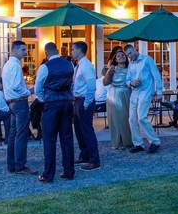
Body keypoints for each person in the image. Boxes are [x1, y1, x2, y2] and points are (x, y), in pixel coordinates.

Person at [34, 42, 75, 182]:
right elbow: (72, 83)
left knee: (49, 139)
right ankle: (69, 171)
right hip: (67, 103)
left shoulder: (45, 67)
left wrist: (42, 99)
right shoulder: (69, 64)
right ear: (58, 50)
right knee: (67, 138)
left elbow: (38, 87)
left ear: (46, 53)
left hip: (51, 103)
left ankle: (48, 174)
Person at [2, 40, 37, 175]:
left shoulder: (7, 65)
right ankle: (20, 166)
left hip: (11, 102)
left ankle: (12, 164)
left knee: (13, 135)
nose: (25, 52)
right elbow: (17, 86)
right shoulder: (15, 65)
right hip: (19, 102)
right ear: (15, 50)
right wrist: (29, 91)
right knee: (21, 135)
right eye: (23, 50)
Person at [125, 43, 163, 153]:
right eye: (128, 55)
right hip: (134, 93)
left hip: (146, 92)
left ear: (135, 49)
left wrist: (159, 92)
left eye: (130, 53)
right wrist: (131, 83)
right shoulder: (130, 64)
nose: (129, 56)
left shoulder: (147, 60)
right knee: (131, 119)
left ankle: (155, 142)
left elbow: (156, 76)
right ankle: (138, 144)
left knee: (141, 117)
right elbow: (127, 80)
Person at [71, 41, 100, 171]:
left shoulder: (86, 66)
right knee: (79, 130)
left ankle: (94, 160)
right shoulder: (78, 65)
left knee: (87, 130)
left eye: (73, 49)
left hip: (84, 101)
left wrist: (87, 102)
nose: (71, 52)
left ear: (79, 50)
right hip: (77, 100)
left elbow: (91, 86)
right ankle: (85, 154)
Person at [102, 47, 132, 149]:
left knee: (126, 118)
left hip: (126, 94)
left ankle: (127, 141)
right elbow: (105, 83)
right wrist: (109, 73)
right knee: (115, 120)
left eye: (123, 55)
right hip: (114, 95)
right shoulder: (113, 69)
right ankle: (117, 141)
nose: (121, 57)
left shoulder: (130, 68)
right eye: (118, 56)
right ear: (115, 59)